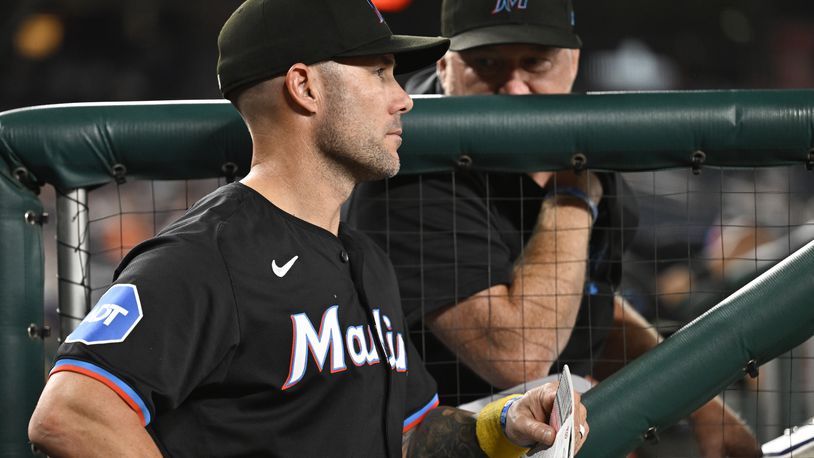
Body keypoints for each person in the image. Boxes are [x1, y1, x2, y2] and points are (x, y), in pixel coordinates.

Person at [27, 0, 589, 457]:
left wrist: (507, 422)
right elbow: (71, 412)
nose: (403, 99)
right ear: (305, 87)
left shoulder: (364, 257)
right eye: (379, 73)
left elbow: (410, 436)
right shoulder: (206, 253)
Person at [348, 0, 761, 456]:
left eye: (535, 63)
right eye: (486, 64)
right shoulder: (408, 166)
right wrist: (573, 196)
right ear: (446, 66)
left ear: (572, 63)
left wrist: (703, 407)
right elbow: (518, 354)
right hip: (418, 438)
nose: (515, 88)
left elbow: (592, 306)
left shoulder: (582, 142)